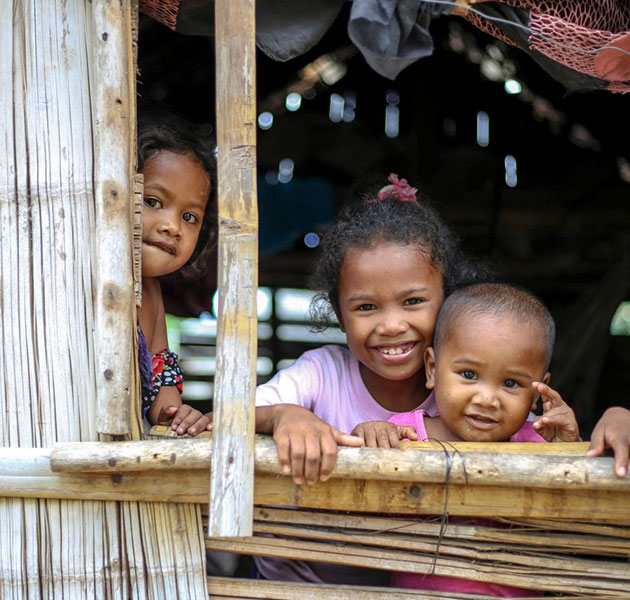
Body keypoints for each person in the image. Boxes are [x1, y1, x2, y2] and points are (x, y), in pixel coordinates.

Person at [252, 174, 486, 585]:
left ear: (447, 300)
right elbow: (234, 414)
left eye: (413, 302)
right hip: (295, 582)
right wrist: (285, 415)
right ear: (340, 316)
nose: (392, 325)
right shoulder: (323, 372)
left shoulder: (463, 389)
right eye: (366, 307)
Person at [352, 282, 580, 597]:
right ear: (432, 369)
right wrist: (369, 439)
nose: (487, 399)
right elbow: (364, 502)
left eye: (511, 383)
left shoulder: (538, 444)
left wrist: (571, 448)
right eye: (469, 375)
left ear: (538, 391)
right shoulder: (405, 434)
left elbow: (574, 513)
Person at [137, 114, 216, 436]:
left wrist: (174, 413)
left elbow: (161, 378)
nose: (173, 227)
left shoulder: (151, 293)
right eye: (153, 202)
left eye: (190, 217)